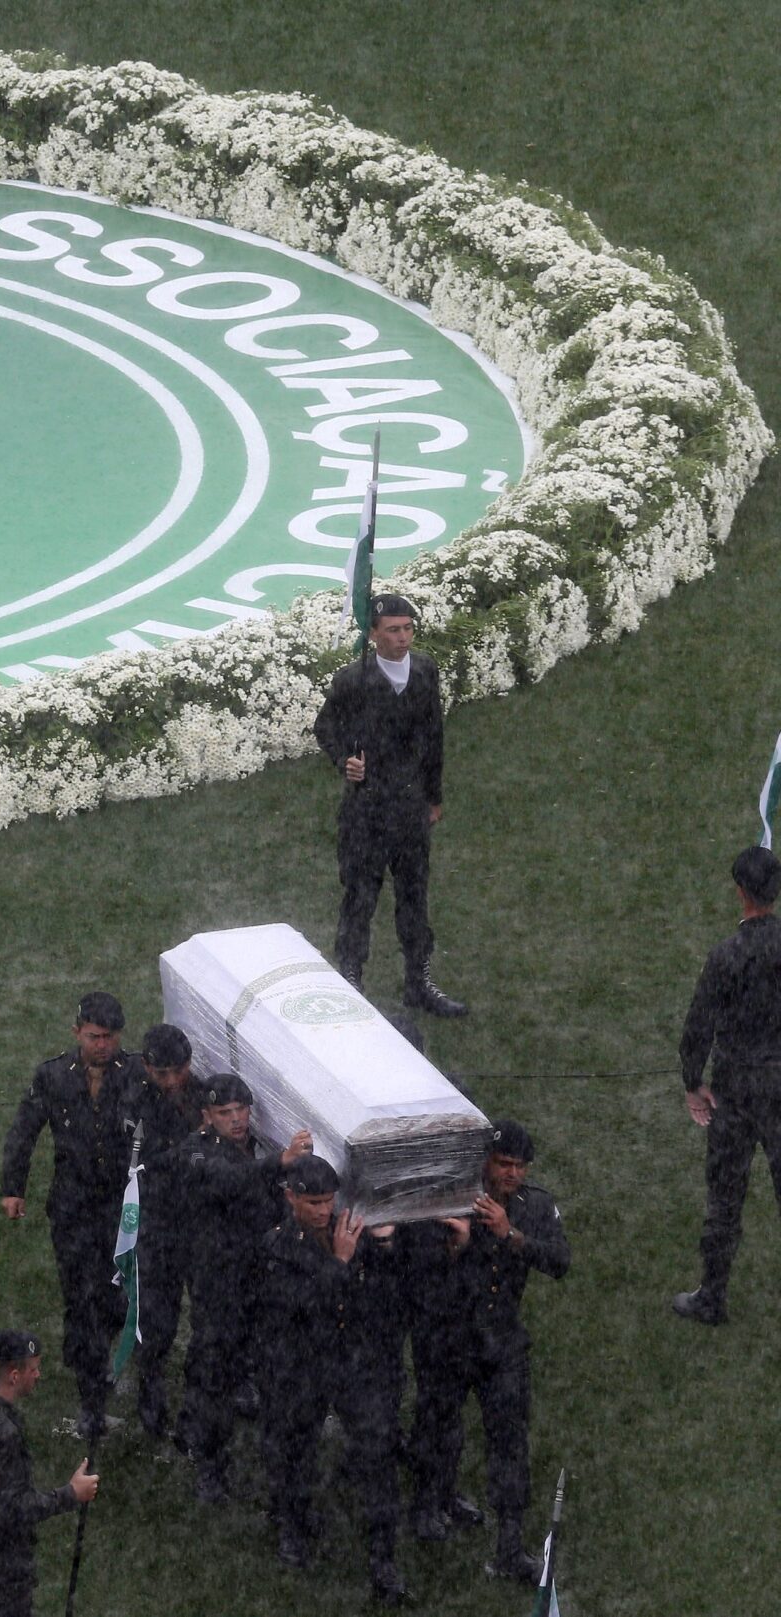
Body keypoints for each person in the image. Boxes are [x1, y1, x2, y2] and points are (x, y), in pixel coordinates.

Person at [406, 1121, 568, 1583]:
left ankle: (509, 1547)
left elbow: (560, 1262)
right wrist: (457, 1248)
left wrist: (510, 1234)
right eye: (503, 1164)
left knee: (510, 1443)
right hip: (449, 1336)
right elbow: (415, 1271)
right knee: (439, 1425)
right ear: (485, 1163)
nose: (512, 1174)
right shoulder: (450, 1201)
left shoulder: (535, 1206)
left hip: (501, 1341)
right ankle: (432, 1502)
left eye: (520, 1166)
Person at [257, 1156, 409, 1605]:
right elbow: (299, 1305)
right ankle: (293, 1528)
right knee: (295, 1450)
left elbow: (386, 1290)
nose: (324, 1211)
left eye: (328, 1201)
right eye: (314, 1203)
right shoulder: (277, 1245)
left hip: (350, 1362)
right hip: (301, 1365)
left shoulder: (350, 1230)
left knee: (378, 1451)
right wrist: (341, 1263)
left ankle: (383, 1559)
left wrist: (384, 1246)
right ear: (291, 1198)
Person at [0, 992, 147, 1438]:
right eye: (93, 1037)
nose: (102, 1046)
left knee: (119, 1294)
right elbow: (24, 1130)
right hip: (73, 1206)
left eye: (109, 1037)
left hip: (121, 1207)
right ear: (76, 1032)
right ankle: (90, 1392)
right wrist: (13, 1188)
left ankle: (108, 1349)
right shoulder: (52, 1077)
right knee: (81, 1298)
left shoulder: (137, 1074)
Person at [314, 593, 465, 1017]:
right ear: (373, 634)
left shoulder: (425, 671)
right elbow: (325, 727)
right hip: (366, 811)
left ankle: (418, 981)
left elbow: (434, 737)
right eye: (394, 630)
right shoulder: (353, 680)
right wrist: (346, 760)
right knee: (360, 898)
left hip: (410, 808)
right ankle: (350, 980)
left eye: (408, 629)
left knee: (414, 897)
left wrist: (434, 797)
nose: (403, 638)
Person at [177, 1073, 309, 1503]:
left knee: (264, 1363)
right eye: (224, 1113)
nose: (235, 1119)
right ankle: (209, 1464)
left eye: (241, 1110)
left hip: (261, 1275)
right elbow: (227, 1181)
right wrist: (280, 1162)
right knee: (213, 1370)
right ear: (207, 1116)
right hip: (219, 1281)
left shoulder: (261, 1145)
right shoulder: (196, 1152)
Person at [673, 844, 781, 1325]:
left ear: (740, 892)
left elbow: (698, 1026)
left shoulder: (726, 956)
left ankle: (712, 1298)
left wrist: (693, 1082)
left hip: (735, 1093)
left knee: (725, 1200)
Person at [0, 1330, 100, 1617]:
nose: (38, 1375)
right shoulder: (4, 1434)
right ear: (14, 1376)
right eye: (34, 1369)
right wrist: (71, 1494)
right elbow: (15, 1508)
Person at [128, 1023, 204, 1440]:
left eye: (180, 1070)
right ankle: (150, 1389)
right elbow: (148, 1162)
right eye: (163, 1073)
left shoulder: (203, 1092)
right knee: (157, 1316)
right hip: (158, 1222)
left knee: (213, 1310)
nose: (173, 1081)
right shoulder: (134, 1103)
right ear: (146, 1067)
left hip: (201, 1221)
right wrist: (197, 1144)